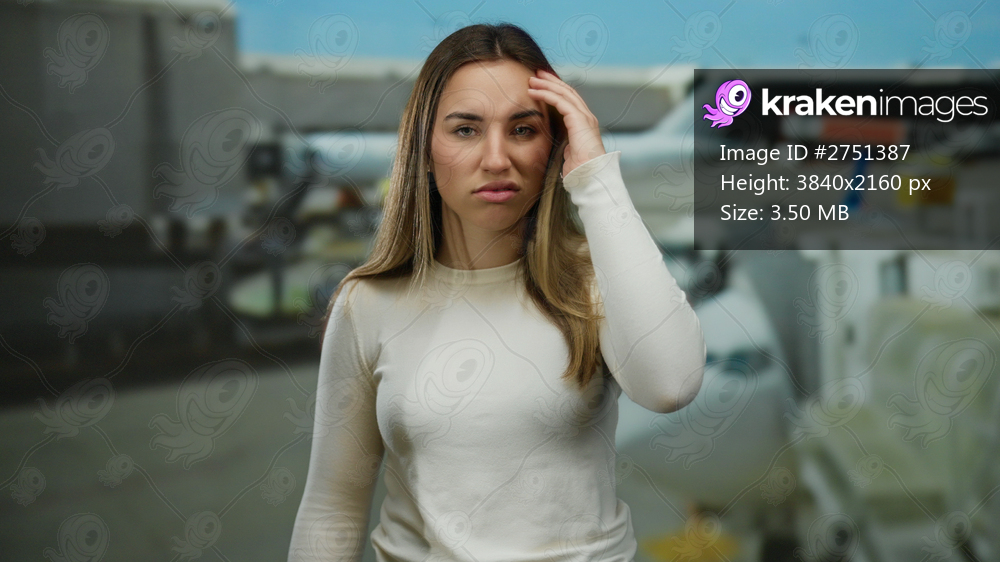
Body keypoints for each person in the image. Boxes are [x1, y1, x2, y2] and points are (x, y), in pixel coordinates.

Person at [287, 22, 706, 562]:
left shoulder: (595, 279)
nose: (496, 159)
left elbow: (671, 385)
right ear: (424, 146)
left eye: (523, 129)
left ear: (552, 145)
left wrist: (596, 177)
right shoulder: (367, 302)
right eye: (465, 129)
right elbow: (333, 507)